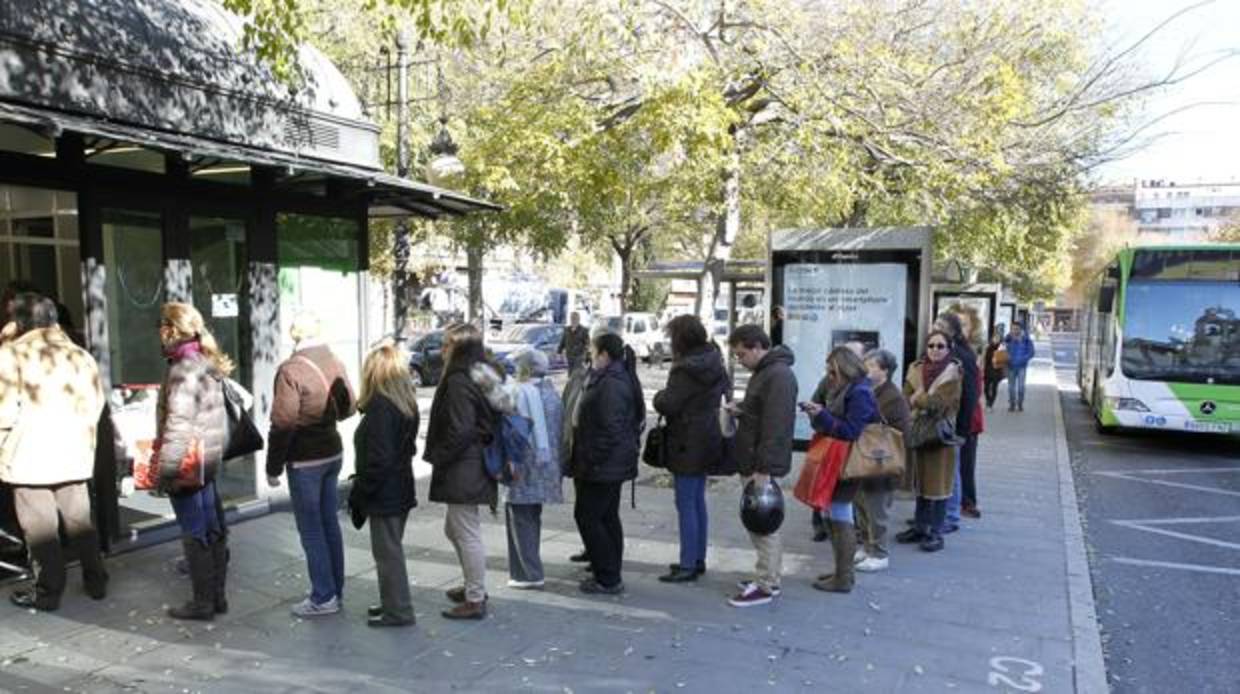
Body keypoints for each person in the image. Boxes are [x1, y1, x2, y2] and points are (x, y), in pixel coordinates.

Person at [0, 294, 107, 611]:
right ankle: (96, 580)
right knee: (80, 523)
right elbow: (96, 404)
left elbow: (3, 412)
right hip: (74, 453)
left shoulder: (11, 355)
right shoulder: (79, 355)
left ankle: (48, 592)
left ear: (18, 322)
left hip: (28, 456)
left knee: (41, 529)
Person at [266, 311, 357, 618]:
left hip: (305, 461)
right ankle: (335, 591)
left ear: (294, 335)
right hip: (333, 452)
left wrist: (273, 467)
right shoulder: (333, 360)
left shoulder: (291, 370)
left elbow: (283, 423)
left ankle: (323, 596)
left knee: (311, 529)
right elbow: (349, 406)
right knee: (329, 523)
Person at [424, 323, 512, 619]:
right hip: (475, 461)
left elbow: (460, 430)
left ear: (458, 347)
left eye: (447, 344)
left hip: (465, 464)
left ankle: (475, 597)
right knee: (456, 528)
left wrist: (439, 455)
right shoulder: (483, 373)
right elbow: (503, 409)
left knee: (465, 531)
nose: (443, 350)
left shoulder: (460, 380)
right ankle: (473, 586)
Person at [155, 302, 232, 620]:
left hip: (189, 463)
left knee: (196, 532)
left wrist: (166, 472)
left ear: (170, 329)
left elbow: (178, 427)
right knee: (212, 528)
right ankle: (216, 598)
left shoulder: (184, 368)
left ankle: (203, 603)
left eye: (161, 325)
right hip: (207, 460)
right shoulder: (203, 360)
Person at [725, 325, 797, 607]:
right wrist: (742, 409)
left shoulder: (777, 375)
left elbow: (776, 426)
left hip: (760, 462)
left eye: (741, 354)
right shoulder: (768, 372)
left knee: (763, 522)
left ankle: (767, 583)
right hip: (755, 458)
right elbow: (763, 411)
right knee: (760, 523)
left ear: (757, 347)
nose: (739, 360)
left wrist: (764, 469)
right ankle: (767, 575)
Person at [653, 315, 728, 583]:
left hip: (686, 439)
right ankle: (697, 558)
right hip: (707, 435)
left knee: (685, 502)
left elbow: (669, 403)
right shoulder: (714, 360)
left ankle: (687, 563)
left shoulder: (685, 369)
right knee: (697, 500)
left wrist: (658, 396)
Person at [350, 344, 420, 628]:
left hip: (386, 493)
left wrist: (360, 494)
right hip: (400, 488)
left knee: (388, 554)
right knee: (390, 551)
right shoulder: (404, 403)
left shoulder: (381, 408)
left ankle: (399, 610)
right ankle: (393, 603)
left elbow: (379, 460)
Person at [571, 333, 643, 595]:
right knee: (606, 515)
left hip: (604, 464)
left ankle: (608, 576)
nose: (591, 356)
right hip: (612, 462)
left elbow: (610, 429)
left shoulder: (611, 383)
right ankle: (610, 569)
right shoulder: (614, 377)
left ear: (604, 354)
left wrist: (592, 459)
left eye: (593, 351)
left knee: (588, 516)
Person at [801, 347, 878, 593]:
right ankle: (842, 572)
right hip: (837, 459)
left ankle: (844, 577)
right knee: (832, 513)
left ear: (844, 368)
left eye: (832, 371)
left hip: (849, 462)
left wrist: (822, 414)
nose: (829, 376)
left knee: (839, 512)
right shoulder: (844, 387)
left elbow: (851, 432)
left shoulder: (860, 391)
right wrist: (818, 413)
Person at [895, 330, 962, 552]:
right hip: (917, 433)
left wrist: (918, 398)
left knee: (939, 487)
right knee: (921, 484)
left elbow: (939, 405)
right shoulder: (915, 368)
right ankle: (920, 527)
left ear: (948, 348)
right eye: (931, 345)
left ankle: (936, 532)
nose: (935, 350)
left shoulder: (953, 373)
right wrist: (919, 399)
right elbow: (904, 397)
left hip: (939, 437)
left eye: (940, 346)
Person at [503, 348, 564, 590]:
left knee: (520, 520)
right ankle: (530, 568)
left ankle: (527, 573)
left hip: (524, 469)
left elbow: (514, 436)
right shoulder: (551, 395)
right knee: (531, 517)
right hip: (546, 468)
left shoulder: (521, 395)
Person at [852, 349, 911, 572]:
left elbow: (902, 432)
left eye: (871, 365)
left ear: (884, 371)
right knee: (863, 506)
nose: (865, 369)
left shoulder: (893, 397)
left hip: (882, 461)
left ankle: (879, 552)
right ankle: (868, 546)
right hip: (864, 458)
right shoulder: (867, 389)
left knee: (877, 510)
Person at [934, 312, 977, 535]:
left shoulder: (961, 355)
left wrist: (962, 429)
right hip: (941, 422)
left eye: (940, 325)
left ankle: (951, 516)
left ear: (952, 330)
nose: (935, 327)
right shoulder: (944, 351)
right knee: (942, 471)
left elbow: (970, 395)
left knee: (952, 472)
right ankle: (936, 515)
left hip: (954, 424)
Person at [1004, 322, 1035, 412]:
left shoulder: (1026, 339)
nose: (1015, 331)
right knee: (1011, 387)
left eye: (1016, 329)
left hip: (1022, 367)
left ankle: (1020, 403)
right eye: (1013, 329)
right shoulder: (1008, 338)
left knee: (1021, 387)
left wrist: (1024, 359)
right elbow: (1002, 349)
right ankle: (1012, 404)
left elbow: (1031, 352)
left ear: (1020, 329)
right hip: (1010, 366)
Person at [982, 331, 1006, 410]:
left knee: (994, 388)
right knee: (986, 388)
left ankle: (990, 403)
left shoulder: (1001, 348)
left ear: (1000, 339)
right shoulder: (988, 347)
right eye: (994, 338)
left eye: (997, 338)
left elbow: (1003, 360)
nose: (995, 339)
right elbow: (984, 358)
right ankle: (988, 400)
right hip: (987, 370)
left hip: (997, 371)